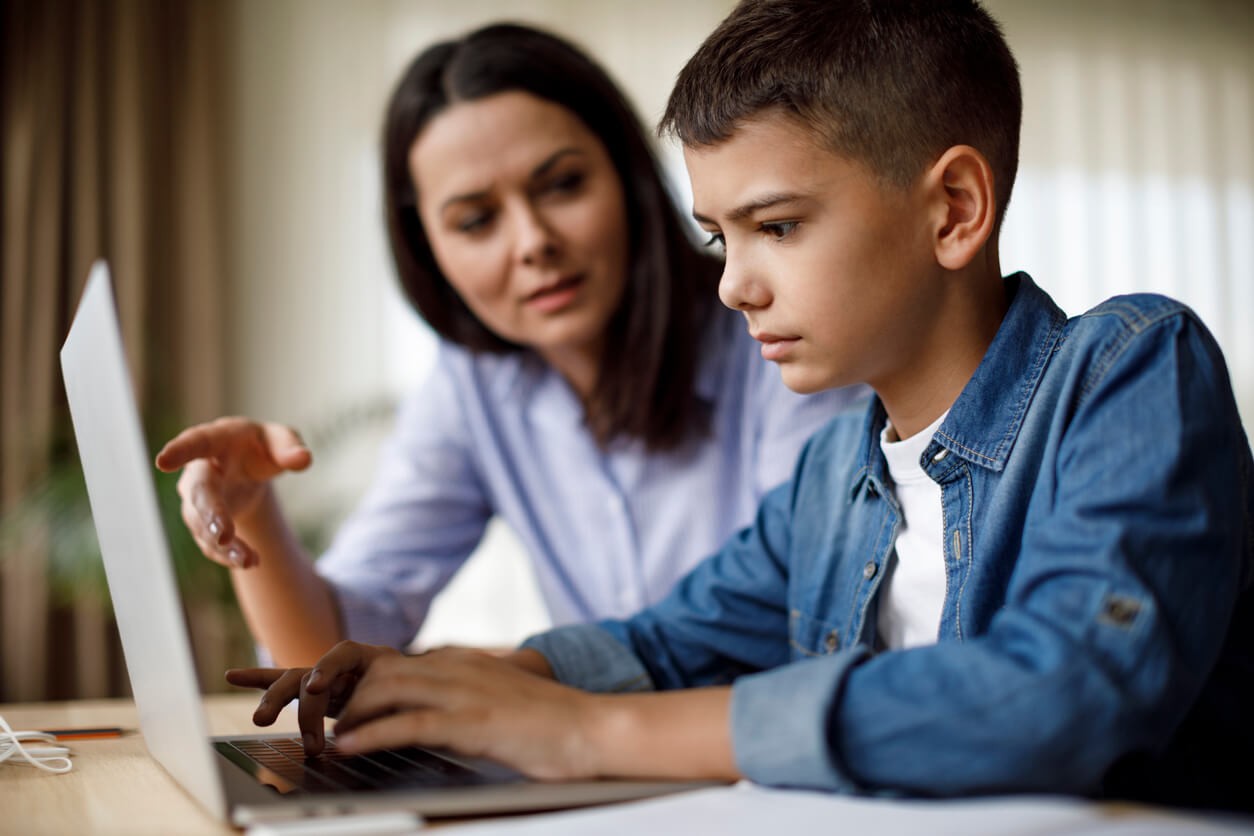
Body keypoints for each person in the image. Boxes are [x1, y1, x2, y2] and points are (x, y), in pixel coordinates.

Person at [225, 0, 1254, 811]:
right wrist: (456, 682)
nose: (732, 285)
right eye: (721, 237)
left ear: (953, 210)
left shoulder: (1129, 366)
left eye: (776, 225)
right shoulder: (830, 475)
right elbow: (665, 643)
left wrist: (592, 733)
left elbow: (1064, 687)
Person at [155, 23, 865, 667]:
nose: (533, 244)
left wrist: (515, 677)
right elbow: (323, 654)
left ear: (627, 177)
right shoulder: (472, 385)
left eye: (562, 185)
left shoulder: (777, 333)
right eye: (474, 221)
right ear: (426, 247)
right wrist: (254, 515)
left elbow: (803, 620)